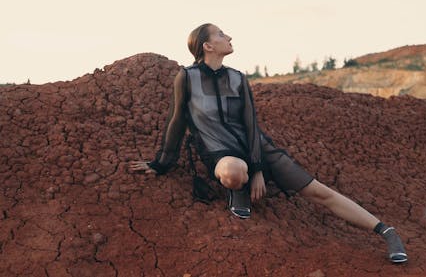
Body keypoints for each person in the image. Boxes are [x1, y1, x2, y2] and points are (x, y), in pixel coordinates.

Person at [129, 23, 408, 263]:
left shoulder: (237, 78)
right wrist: (161, 164)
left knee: (320, 193)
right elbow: (176, 122)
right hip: (219, 152)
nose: (229, 38)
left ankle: (386, 232)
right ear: (207, 46)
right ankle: (238, 189)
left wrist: (259, 168)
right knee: (233, 172)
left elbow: (251, 125)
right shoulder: (186, 78)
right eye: (222, 34)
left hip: (257, 148)